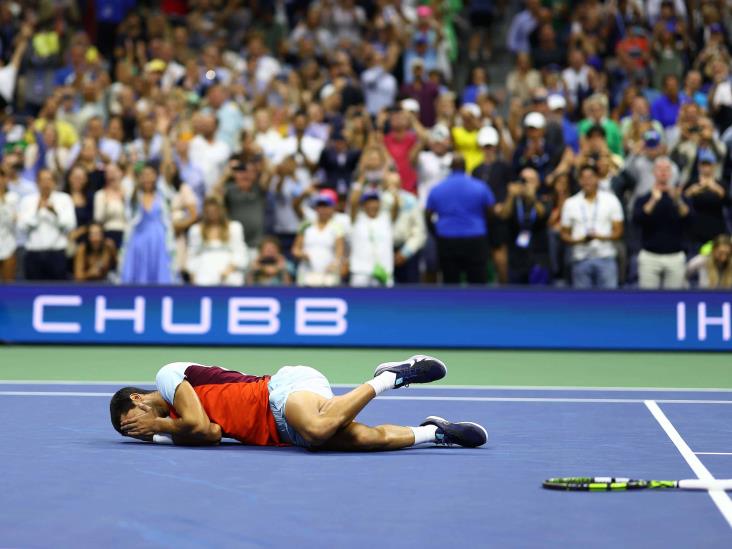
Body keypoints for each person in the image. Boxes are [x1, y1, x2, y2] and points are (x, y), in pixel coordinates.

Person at [110, 355, 488, 451]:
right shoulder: (177, 427)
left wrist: (158, 427)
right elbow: (210, 433)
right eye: (134, 433)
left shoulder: (167, 376)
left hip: (282, 391)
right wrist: (160, 433)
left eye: (134, 421)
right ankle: (434, 432)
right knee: (369, 440)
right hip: (281, 431)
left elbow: (195, 421)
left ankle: (391, 376)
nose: (139, 430)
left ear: (139, 398)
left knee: (319, 428)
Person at [426, 155, 495, 284]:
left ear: (451, 168)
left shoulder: (437, 189)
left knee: (451, 282)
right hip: (476, 238)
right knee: (478, 283)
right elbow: (491, 211)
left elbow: (427, 215)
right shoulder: (480, 187)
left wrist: (437, 232)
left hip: (447, 239)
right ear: (465, 168)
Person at [560, 165, 624, 289]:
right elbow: (564, 234)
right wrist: (580, 240)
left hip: (605, 257)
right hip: (580, 258)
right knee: (583, 305)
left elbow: (619, 231)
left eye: (590, 177)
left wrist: (600, 237)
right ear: (579, 181)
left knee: (609, 302)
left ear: (597, 179)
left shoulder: (611, 200)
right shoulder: (570, 203)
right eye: (583, 178)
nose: (587, 181)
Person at [632, 156, 690, 289]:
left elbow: (690, 219)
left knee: (674, 301)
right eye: (659, 169)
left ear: (671, 173)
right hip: (650, 256)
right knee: (648, 302)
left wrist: (678, 201)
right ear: (653, 172)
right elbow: (637, 219)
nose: (663, 172)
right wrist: (653, 200)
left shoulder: (679, 198)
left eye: (666, 169)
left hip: (675, 256)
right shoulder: (644, 198)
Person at [119, 164, 174, 284]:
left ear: (156, 177)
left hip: (158, 240)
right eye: (144, 175)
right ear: (139, 178)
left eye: (150, 175)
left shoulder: (163, 196)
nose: (147, 178)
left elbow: (168, 220)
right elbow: (129, 220)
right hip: (138, 239)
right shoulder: (133, 198)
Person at [17, 169, 76, 280]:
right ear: (37, 182)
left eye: (49, 180)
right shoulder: (27, 201)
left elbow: (70, 225)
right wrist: (37, 211)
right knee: (33, 291)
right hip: (33, 254)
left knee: (58, 291)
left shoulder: (64, 199)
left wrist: (55, 213)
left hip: (57, 254)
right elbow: (22, 227)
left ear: (54, 182)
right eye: (43, 180)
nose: (46, 184)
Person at [186, 197, 248, 286]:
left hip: (228, 274)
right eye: (209, 211)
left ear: (221, 210)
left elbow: (240, 252)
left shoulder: (234, 228)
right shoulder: (196, 230)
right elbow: (192, 255)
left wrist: (228, 271)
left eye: (215, 210)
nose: (212, 214)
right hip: (204, 274)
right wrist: (193, 276)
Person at [292, 190, 345, 287]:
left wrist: (335, 264)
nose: (323, 210)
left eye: (326, 206)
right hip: (307, 272)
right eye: (320, 206)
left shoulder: (337, 227)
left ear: (332, 208)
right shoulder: (306, 225)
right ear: (316, 208)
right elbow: (295, 249)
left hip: (328, 274)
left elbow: (339, 252)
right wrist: (302, 255)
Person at [348, 187, 397, 287]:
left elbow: (396, 205)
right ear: (363, 205)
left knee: (386, 302)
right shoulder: (357, 219)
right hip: (360, 272)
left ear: (380, 204)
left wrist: (390, 186)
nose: (372, 205)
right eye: (369, 202)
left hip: (384, 271)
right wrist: (360, 180)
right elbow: (353, 202)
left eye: (375, 201)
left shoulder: (386, 219)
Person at [0, 170, 19, 281]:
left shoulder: (13, 198)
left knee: (8, 282)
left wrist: (3, 200)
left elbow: (13, 221)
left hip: (8, 245)